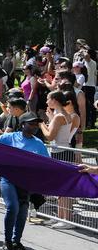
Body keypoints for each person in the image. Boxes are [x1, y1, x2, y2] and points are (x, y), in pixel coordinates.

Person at [0, 113, 49, 250]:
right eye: (31, 124)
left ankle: (16, 242)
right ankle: (7, 242)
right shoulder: (10, 137)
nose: (35, 127)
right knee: (13, 208)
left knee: (23, 213)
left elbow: (48, 163)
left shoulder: (38, 143)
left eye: (36, 124)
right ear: (22, 124)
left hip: (26, 183)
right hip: (8, 179)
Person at [39, 90, 81, 228]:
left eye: (48, 99)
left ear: (54, 100)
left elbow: (49, 136)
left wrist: (41, 124)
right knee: (60, 186)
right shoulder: (63, 114)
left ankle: (66, 219)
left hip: (61, 152)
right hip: (62, 150)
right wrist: (49, 119)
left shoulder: (59, 116)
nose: (46, 101)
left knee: (63, 186)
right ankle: (61, 217)